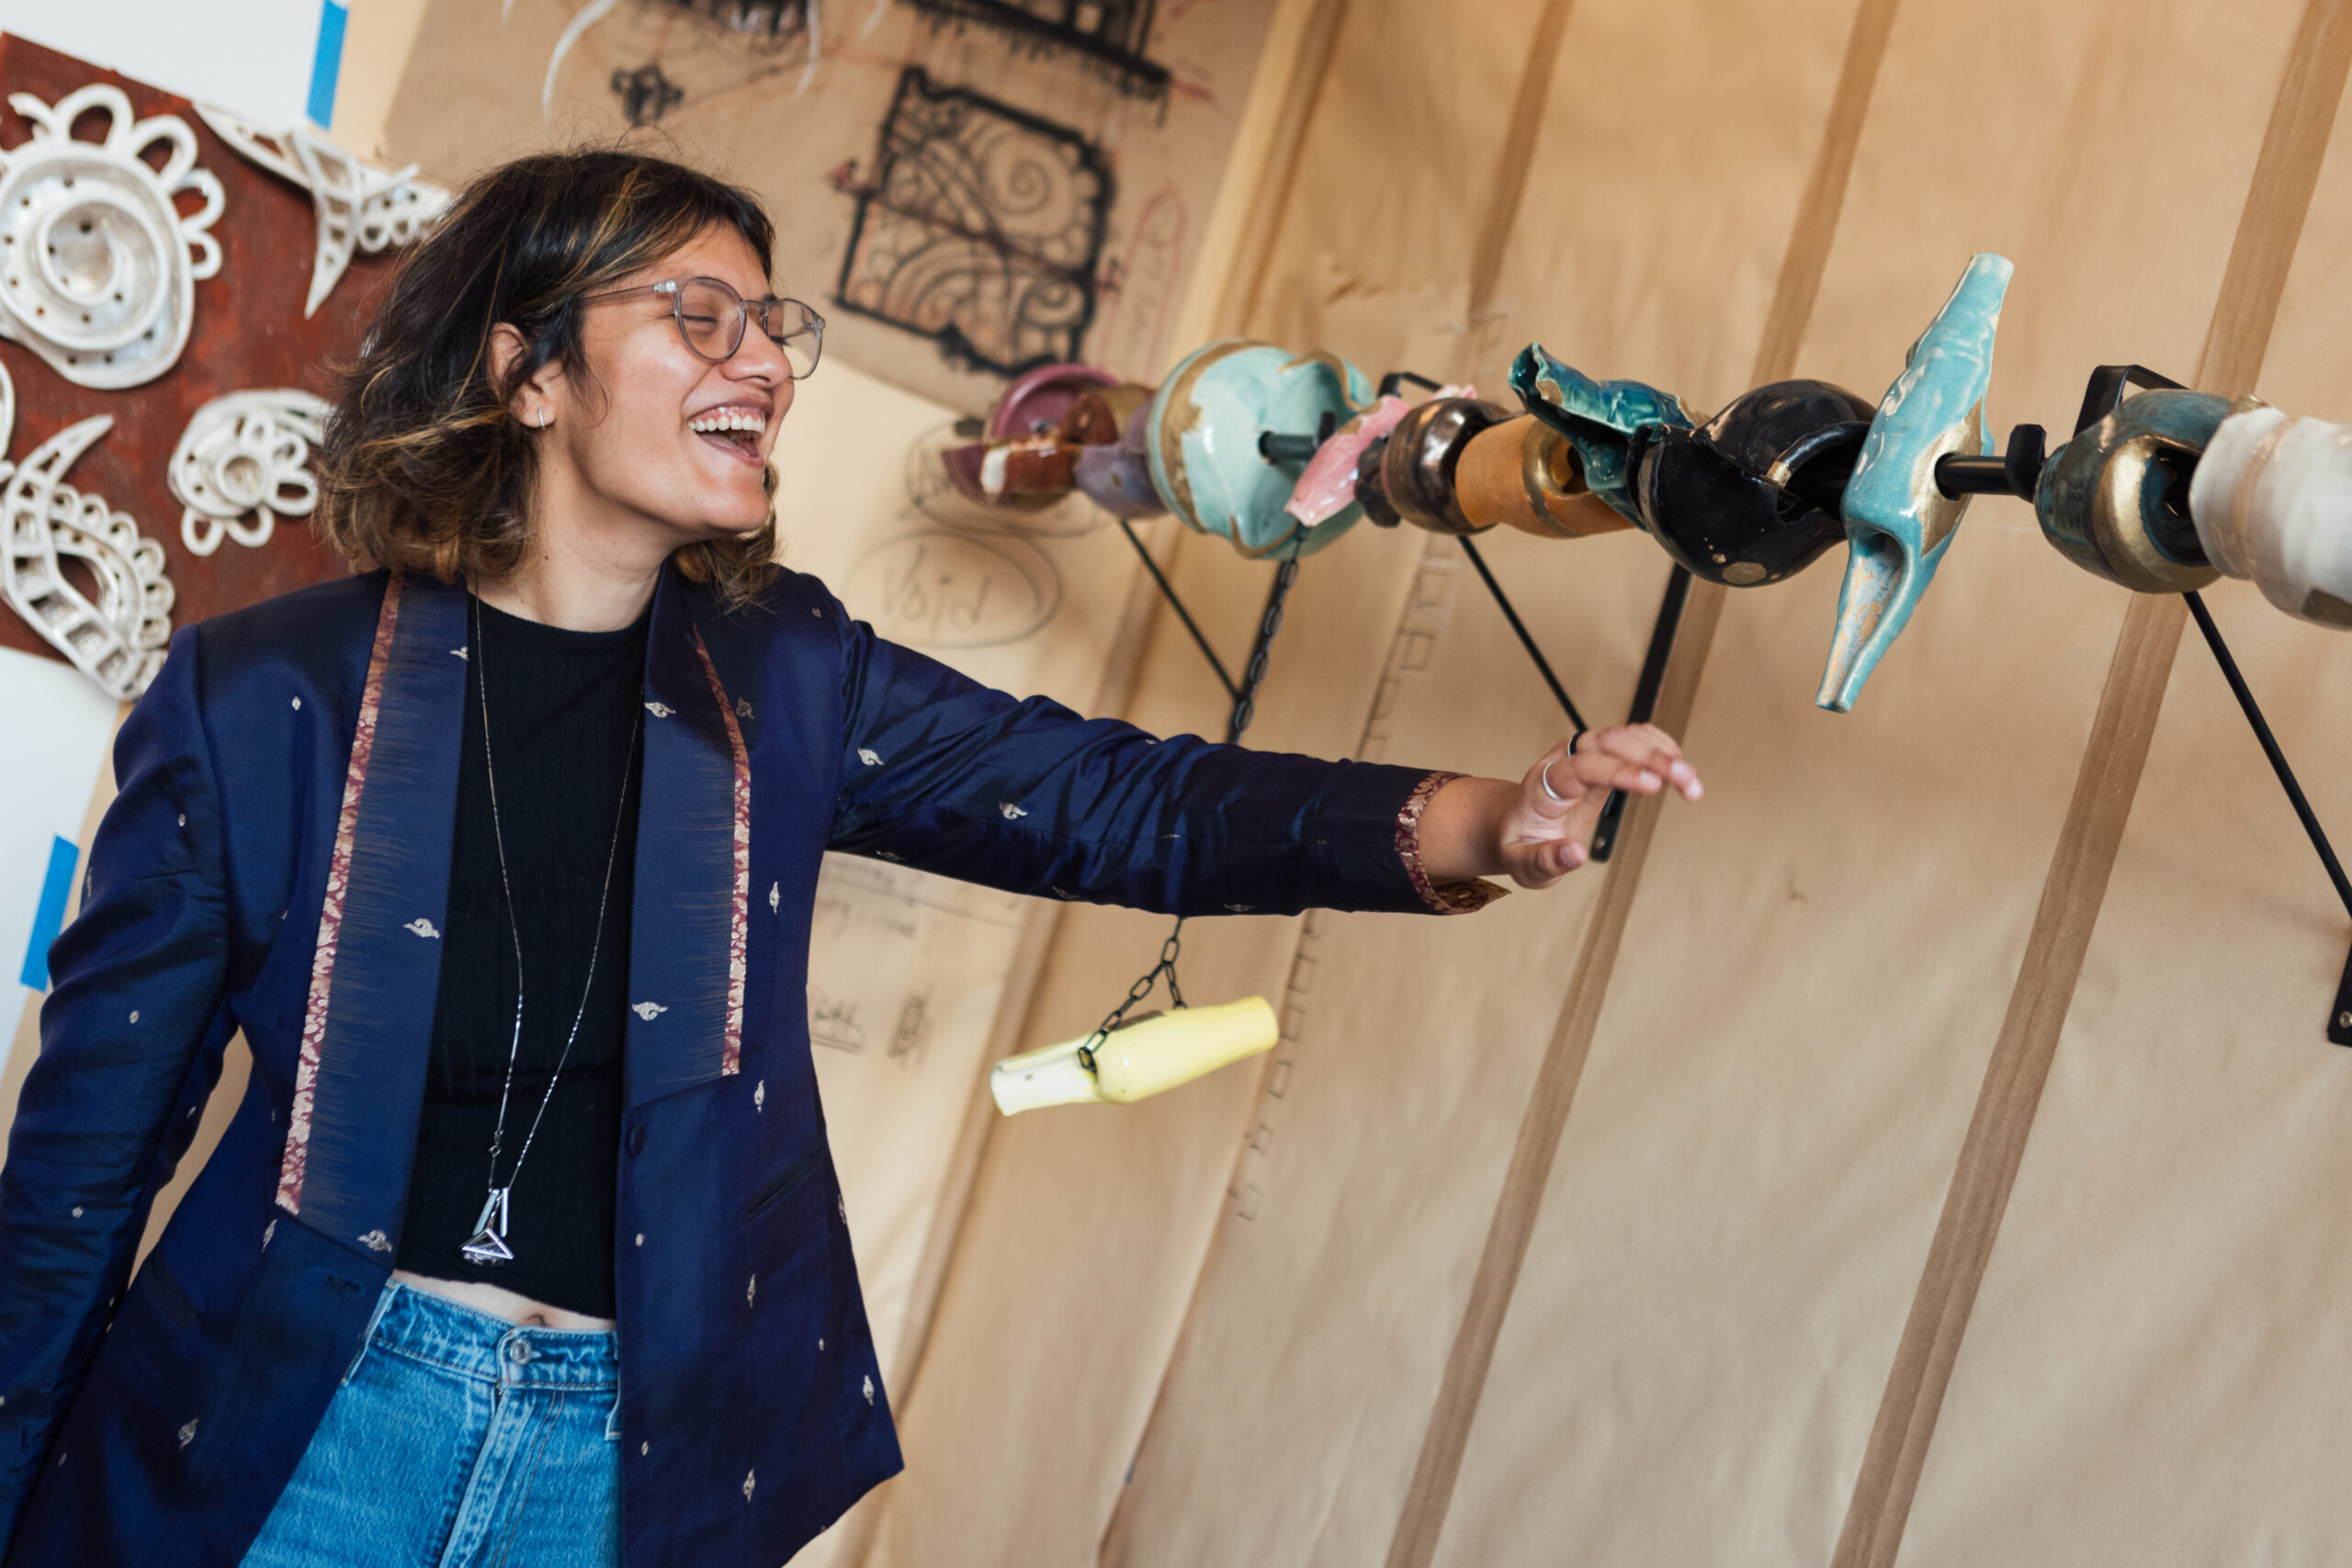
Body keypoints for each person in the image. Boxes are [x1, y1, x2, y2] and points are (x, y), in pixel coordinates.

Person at [0, 150, 1702, 1568]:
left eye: (773, 325)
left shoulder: (785, 676)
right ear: (526, 375)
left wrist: (1480, 817)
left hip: (626, 1463)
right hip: (294, 1430)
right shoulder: (260, 700)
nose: (760, 361)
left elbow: (1121, 802)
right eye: (695, 315)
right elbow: (80, 1173)